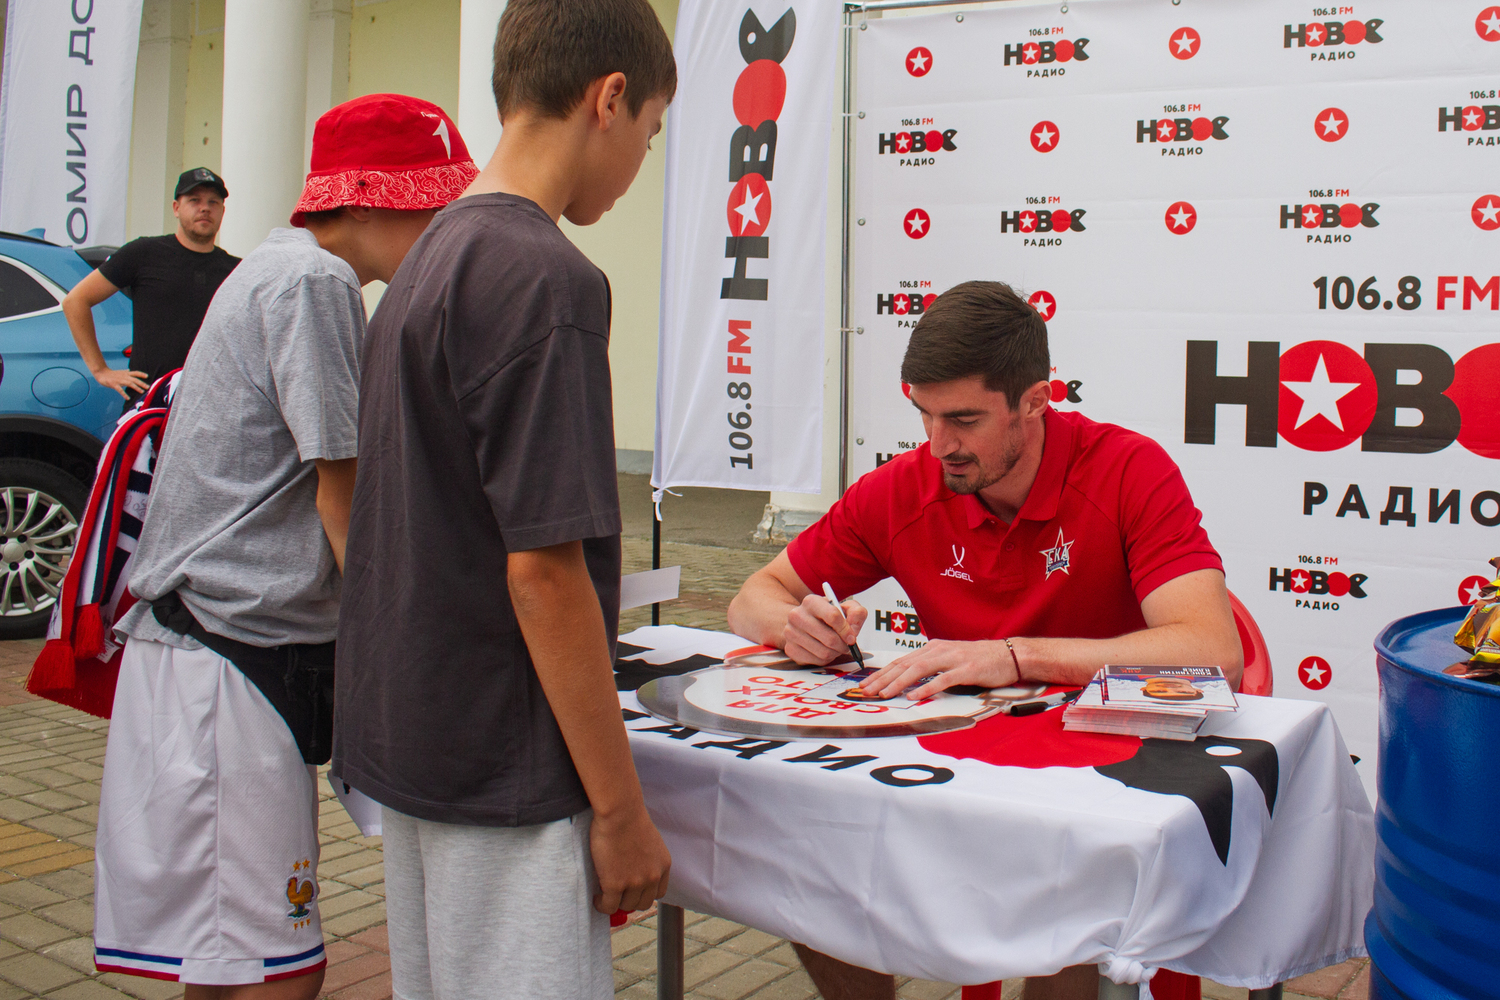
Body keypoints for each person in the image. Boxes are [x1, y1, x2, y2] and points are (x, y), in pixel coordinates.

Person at [726, 280, 1243, 1000]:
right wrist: (797, 628)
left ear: (1035, 400)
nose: (939, 445)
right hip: (967, 774)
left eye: (963, 419)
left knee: (1069, 914)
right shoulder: (905, 486)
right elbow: (752, 597)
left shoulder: (1127, 469)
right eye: (924, 415)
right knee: (808, 859)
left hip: (1099, 783)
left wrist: (1013, 655)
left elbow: (1213, 652)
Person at [92, 95, 477, 1000]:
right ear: (375, 198)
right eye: (434, 205)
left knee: (230, 962)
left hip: (208, 652)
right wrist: (411, 642)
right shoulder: (315, 286)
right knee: (275, 974)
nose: (440, 229)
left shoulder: (274, 264)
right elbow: (341, 496)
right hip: (227, 659)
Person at [331, 2, 676, 997]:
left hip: (418, 740)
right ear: (608, 99)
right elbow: (543, 567)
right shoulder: (546, 276)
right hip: (508, 765)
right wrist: (619, 810)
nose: (641, 158)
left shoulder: (425, 260)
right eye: (648, 133)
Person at [63, 168, 239, 403]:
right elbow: (75, 301)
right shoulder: (143, 253)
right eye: (194, 200)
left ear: (223, 211)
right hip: (151, 403)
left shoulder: (237, 270)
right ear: (176, 208)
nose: (204, 208)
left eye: (213, 202)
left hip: (212, 406)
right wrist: (100, 371)